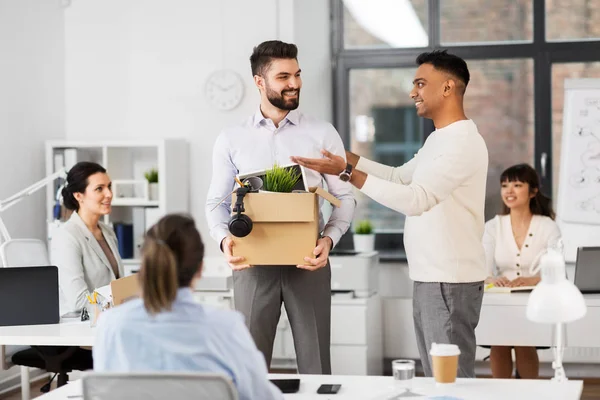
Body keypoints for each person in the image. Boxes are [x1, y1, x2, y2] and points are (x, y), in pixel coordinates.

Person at [291, 50, 488, 378]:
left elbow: (416, 199)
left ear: (448, 87)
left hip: (449, 280)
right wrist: (344, 158)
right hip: (431, 277)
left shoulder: (463, 143)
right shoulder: (440, 140)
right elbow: (399, 177)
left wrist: (348, 174)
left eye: (421, 83)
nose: (413, 92)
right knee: (437, 379)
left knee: (451, 382)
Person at [205, 40, 355, 374]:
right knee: (248, 367)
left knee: (316, 365)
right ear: (260, 82)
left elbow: (345, 197)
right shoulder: (231, 137)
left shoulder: (322, 132)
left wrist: (328, 240)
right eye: (284, 76)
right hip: (252, 263)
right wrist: (223, 240)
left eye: (297, 74)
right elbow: (215, 202)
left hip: (308, 262)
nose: (295, 83)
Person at [93, 214, 283, 400]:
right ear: (200, 268)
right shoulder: (226, 327)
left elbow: (104, 392)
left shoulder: (111, 324)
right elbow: (260, 395)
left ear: (146, 265)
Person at [482, 163, 561, 379]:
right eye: (505, 185)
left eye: (517, 185)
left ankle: (529, 392)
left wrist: (533, 279)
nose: (509, 191)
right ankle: (502, 394)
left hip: (533, 298)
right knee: (499, 342)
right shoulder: (493, 226)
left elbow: (556, 269)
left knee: (524, 342)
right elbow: (483, 267)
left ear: (533, 191)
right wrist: (492, 279)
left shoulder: (547, 226)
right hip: (500, 299)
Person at [51, 161, 124, 315]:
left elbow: (117, 284)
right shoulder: (67, 236)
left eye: (109, 186)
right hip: (82, 326)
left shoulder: (108, 232)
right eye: (99, 189)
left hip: (110, 320)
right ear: (79, 196)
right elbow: (79, 302)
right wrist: (123, 299)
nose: (109, 194)